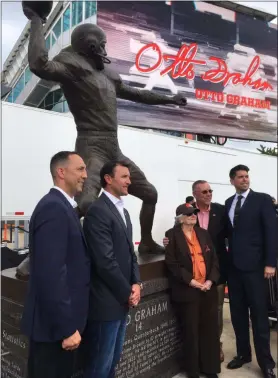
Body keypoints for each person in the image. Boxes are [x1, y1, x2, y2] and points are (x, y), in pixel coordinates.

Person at [22, 3, 187, 254]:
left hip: (113, 146)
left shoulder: (107, 73)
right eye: (102, 44)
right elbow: (38, 64)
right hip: (91, 143)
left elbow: (135, 94)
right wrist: (36, 21)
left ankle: (145, 243)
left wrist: (169, 99)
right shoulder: (72, 66)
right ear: (91, 45)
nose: (105, 49)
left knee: (150, 193)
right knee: (86, 202)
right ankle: (44, 251)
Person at [21, 151, 90, 378]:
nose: (86, 175)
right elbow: (51, 274)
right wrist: (67, 328)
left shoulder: (63, 207)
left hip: (59, 330)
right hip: (54, 332)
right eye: (80, 169)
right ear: (61, 172)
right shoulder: (53, 208)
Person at [83, 160, 142, 378]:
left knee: (112, 362)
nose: (129, 181)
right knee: (99, 365)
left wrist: (136, 283)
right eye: (124, 176)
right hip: (105, 303)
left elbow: (130, 253)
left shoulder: (123, 213)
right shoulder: (98, 211)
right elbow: (105, 262)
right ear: (108, 179)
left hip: (121, 300)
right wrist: (128, 292)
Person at [164, 180, 228, 362]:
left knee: (215, 315)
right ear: (195, 194)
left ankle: (216, 348)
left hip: (214, 274)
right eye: (204, 192)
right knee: (192, 323)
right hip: (190, 282)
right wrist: (167, 243)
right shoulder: (184, 217)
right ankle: (196, 361)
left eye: (210, 191)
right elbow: (175, 249)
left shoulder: (221, 211)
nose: (209, 194)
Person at [225, 164, 277, 378]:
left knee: (259, 317)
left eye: (247, 176)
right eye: (240, 177)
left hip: (256, 269)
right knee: (237, 316)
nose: (245, 179)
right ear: (232, 180)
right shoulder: (229, 203)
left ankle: (266, 363)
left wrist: (270, 263)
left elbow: (272, 232)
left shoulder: (262, 200)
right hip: (234, 271)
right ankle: (243, 354)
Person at [165, 204, 220, 378]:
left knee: (209, 330)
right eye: (188, 214)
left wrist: (210, 280)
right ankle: (193, 371)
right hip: (188, 291)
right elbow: (172, 264)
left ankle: (210, 369)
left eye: (194, 213)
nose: (192, 216)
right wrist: (193, 282)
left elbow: (214, 260)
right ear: (179, 218)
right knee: (191, 332)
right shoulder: (172, 235)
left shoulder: (203, 233)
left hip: (207, 289)